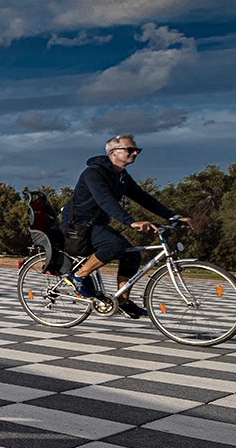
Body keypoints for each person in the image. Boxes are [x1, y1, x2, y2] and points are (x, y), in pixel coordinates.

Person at [61, 134, 188, 318]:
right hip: (79, 225)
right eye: (130, 150)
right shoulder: (94, 173)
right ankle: (79, 276)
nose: (135, 153)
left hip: (97, 224)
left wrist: (173, 216)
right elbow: (106, 201)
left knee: (132, 254)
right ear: (113, 152)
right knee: (114, 245)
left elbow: (143, 197)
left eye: (137, 150)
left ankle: (123, 301)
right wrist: (131, 222)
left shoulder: (121, 176)